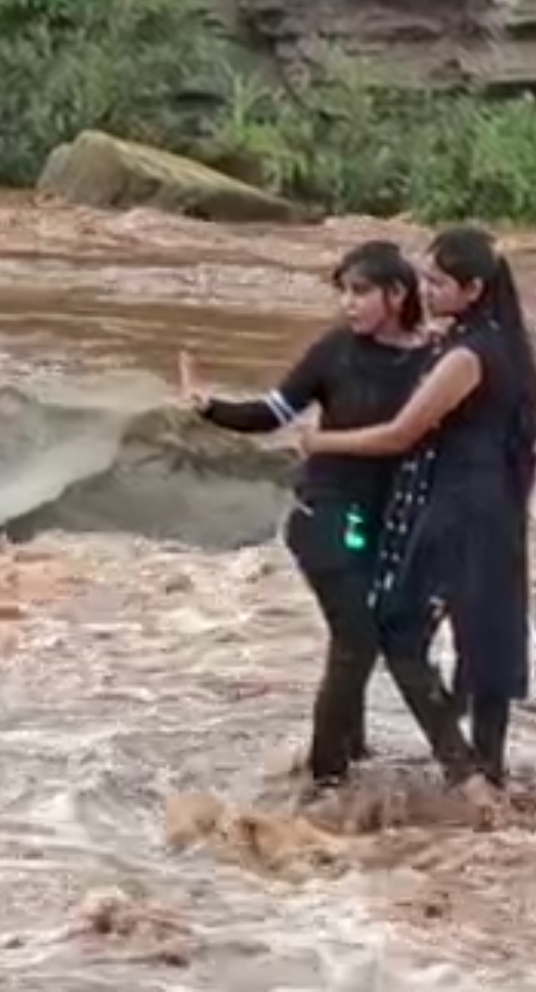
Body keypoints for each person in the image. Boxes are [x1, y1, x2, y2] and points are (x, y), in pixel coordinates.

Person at [191, 241, 470, 793]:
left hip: (388, 521)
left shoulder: (436, 360)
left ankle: (354, 750)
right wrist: (210, 407)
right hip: (322, 510)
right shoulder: (334, 352)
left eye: (360, 291)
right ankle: (327, 782)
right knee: (356, 636)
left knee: (374, 634)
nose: (348, 303)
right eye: (343, 291)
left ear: (397, 294)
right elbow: (273, 412)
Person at [301, 227, 536, 798]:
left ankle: (460, 771)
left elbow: (399, 435)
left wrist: (321, 442)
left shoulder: (465, 356)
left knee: (400, 632)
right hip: (496, 509)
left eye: (437, 282)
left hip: (456, 511)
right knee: (486, 640)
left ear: (473, 287)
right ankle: (490, 773)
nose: (425, 291)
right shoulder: (502, 344)